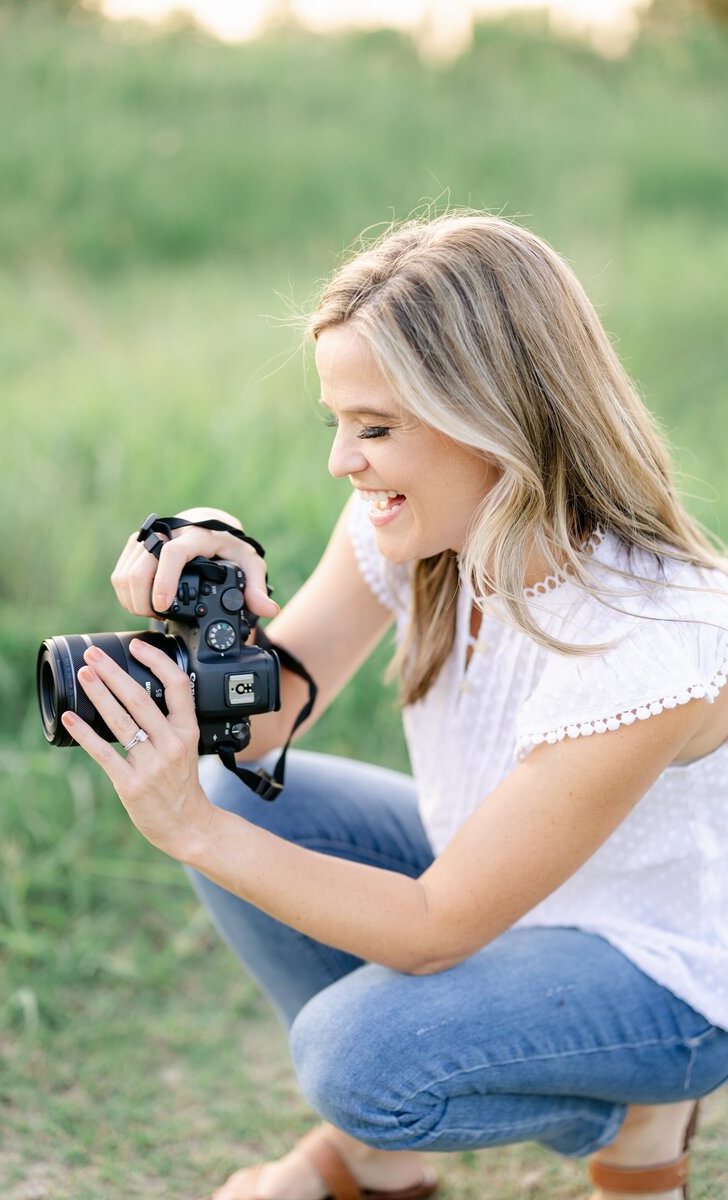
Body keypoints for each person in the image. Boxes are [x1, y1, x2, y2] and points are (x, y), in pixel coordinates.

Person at [62, 214, 728, 1200]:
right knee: (251, 795)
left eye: (373, 429)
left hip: (662, 975)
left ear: (495, 418)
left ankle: (635, 1120)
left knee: (353, 1056)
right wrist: (209, 566)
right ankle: (378, 1162)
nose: (342, 461)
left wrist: (190, 833)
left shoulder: (649, 634)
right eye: (336, 422)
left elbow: (434, 926)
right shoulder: (421, 527)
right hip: (508, 890)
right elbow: (269, 714)